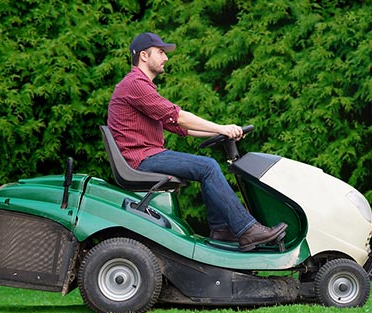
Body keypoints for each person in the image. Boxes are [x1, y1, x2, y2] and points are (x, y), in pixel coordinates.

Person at [107, 32, 285, 252]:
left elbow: (181, 127)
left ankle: (222, 230)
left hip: (145, 155)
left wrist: (223, 133)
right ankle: (248, 231)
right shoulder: (135, 84)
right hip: (141, 159)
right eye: (161, 52)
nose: (166, 58)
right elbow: (178, 116)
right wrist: (220, 128)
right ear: (144, 55)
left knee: (206, 167)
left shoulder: (140, 86)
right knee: (207, 167)